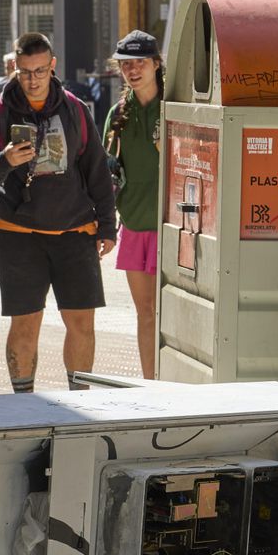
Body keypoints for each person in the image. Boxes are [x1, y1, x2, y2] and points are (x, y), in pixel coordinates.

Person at [0, 33, 116, 394]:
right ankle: (24, 403)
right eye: (25, 72)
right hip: (18, 234)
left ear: (53, 66)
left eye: (39, 70)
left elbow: (97, 171)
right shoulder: (0, 112)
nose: (33, 79)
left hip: (75, 231)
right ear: (15, 70)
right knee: (25, 325)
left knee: (82, 324)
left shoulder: (76, 110)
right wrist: (5, 159)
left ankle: (80, 403)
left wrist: (108, 227)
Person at [103, 31, 163, 380]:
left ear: (157, 64)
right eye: (126, 64)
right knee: (145, 313)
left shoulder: (176, 107)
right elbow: (106, 173)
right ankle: (150, 383)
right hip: (135, 224)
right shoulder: (118, 114)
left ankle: (175, 383)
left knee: (171, 315)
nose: (133, 70)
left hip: (171, 227)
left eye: (140, 62)